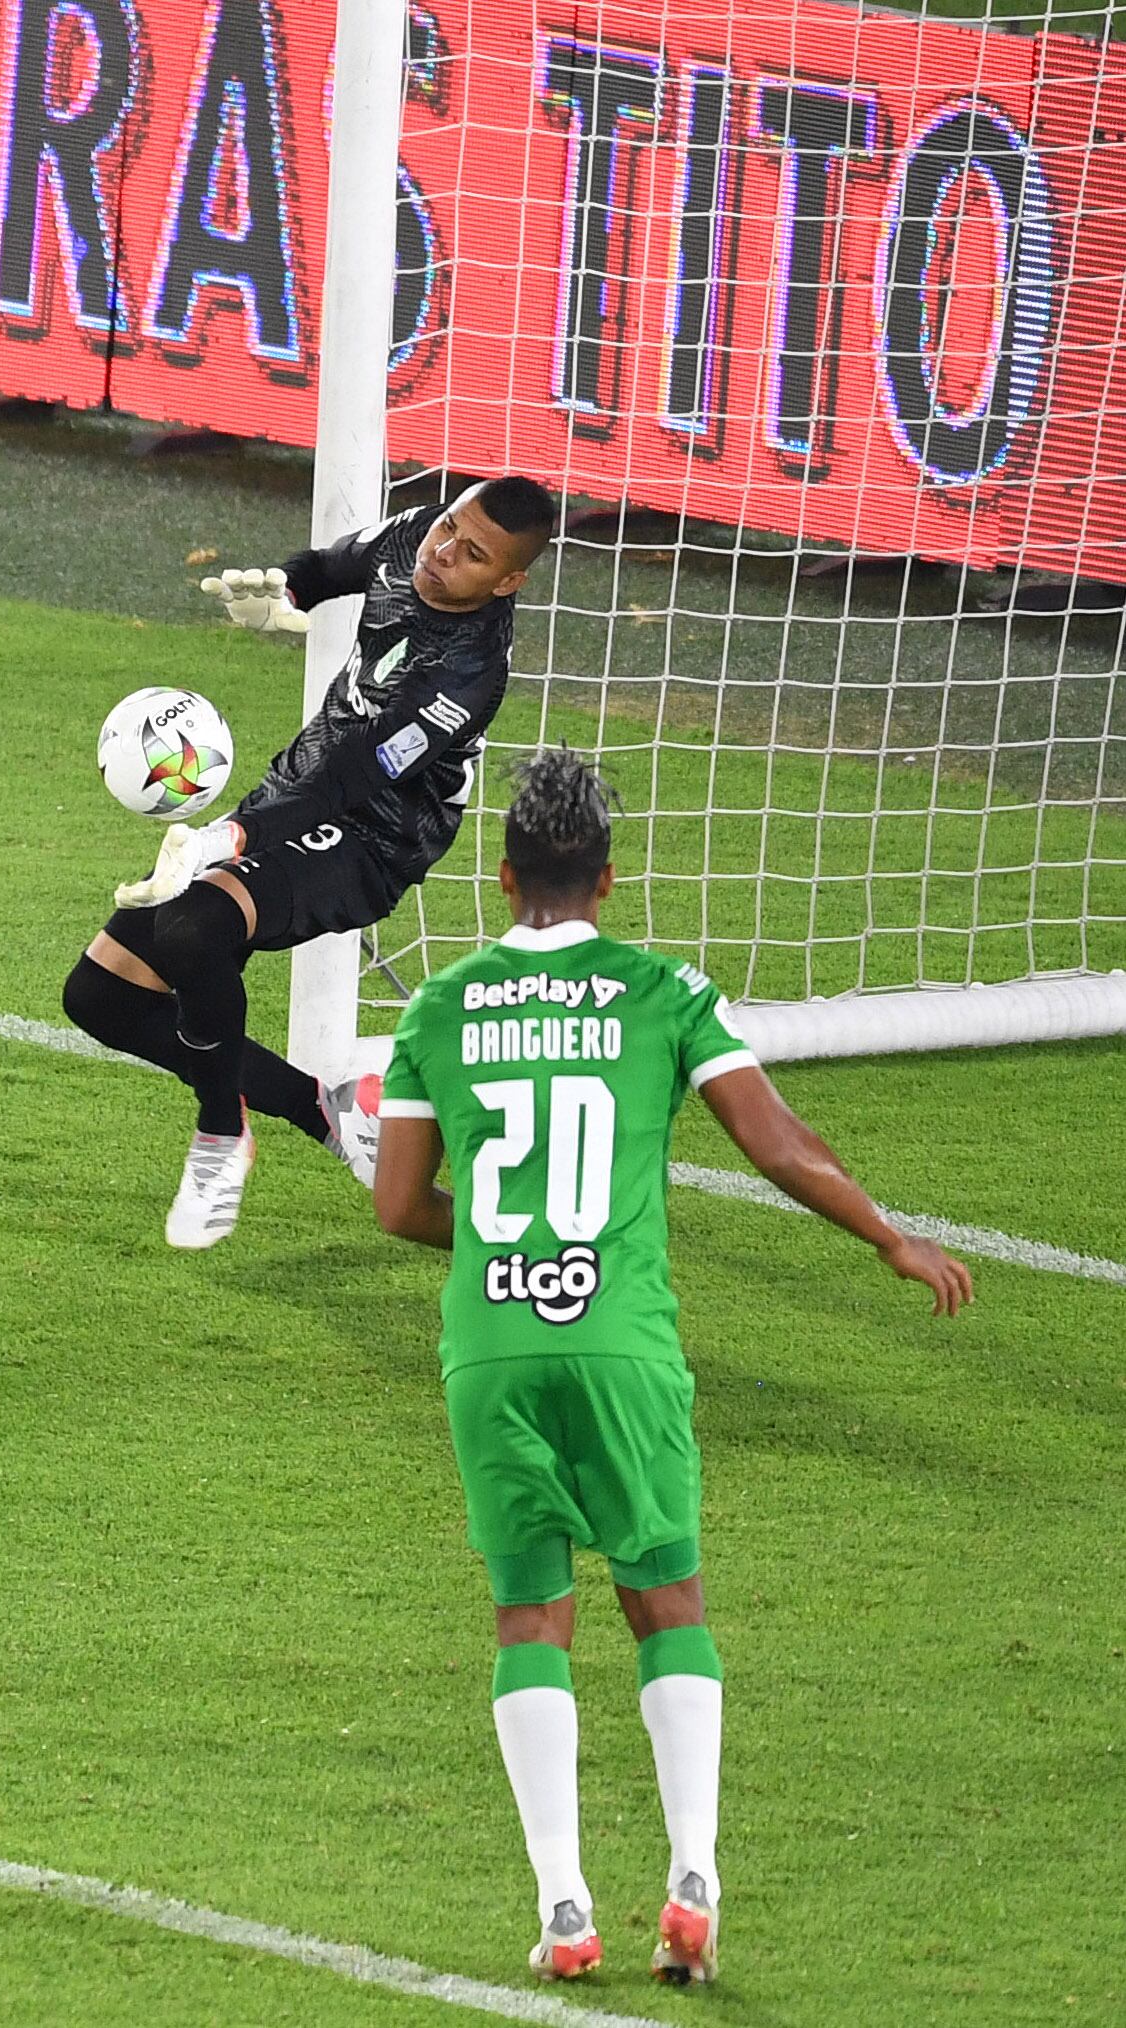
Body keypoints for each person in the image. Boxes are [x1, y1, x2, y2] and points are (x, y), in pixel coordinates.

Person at [371, 748, 970, 1985]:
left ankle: (564, 1908)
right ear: (607, 878)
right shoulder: (661, 992)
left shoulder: (438, 1008)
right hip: (624, 1345)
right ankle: (691, 1876)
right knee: (668, 1604)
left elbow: (397, 1209)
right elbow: (777, 1144)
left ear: (500, 878)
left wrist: (500, 1244)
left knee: (530, 1613)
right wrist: (889, 1238)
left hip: (491, 1346)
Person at [63, 477, 561, 1247]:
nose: (444, 553)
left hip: (376, 837)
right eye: (450, 529)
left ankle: (221, 1135)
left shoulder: (467, 676)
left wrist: (230, 838)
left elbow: (355, 778)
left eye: (473, 555)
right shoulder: (421, 533)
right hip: (295, 791)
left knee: (195, 930)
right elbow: (336, 565)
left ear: (508, 580)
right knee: (100, 997)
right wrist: (288, 592)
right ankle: (325, 1110)